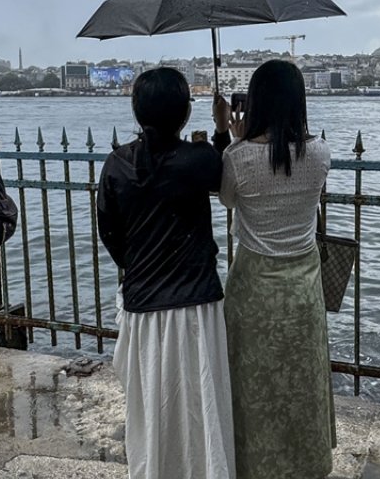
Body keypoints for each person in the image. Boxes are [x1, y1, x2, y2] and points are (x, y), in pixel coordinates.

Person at [97, 68, 237, 479]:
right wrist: (221, 130)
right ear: (183, 112)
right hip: (196, 302)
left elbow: (111, 233)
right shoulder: (199, 160)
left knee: (151, 402)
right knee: (201, 399)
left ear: (137, 111)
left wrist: (137, 266)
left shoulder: (117, 164)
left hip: (143, 300)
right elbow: (225, 178)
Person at [216, 59, 333, 478]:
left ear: (256, 102)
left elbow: (229, 200)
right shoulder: (320, 153)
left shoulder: (238, 157)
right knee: (302, 380)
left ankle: (254, 465)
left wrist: (230, 136)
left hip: (254, 286)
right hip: (303, 285)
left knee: (254, 383)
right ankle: (306, 463)